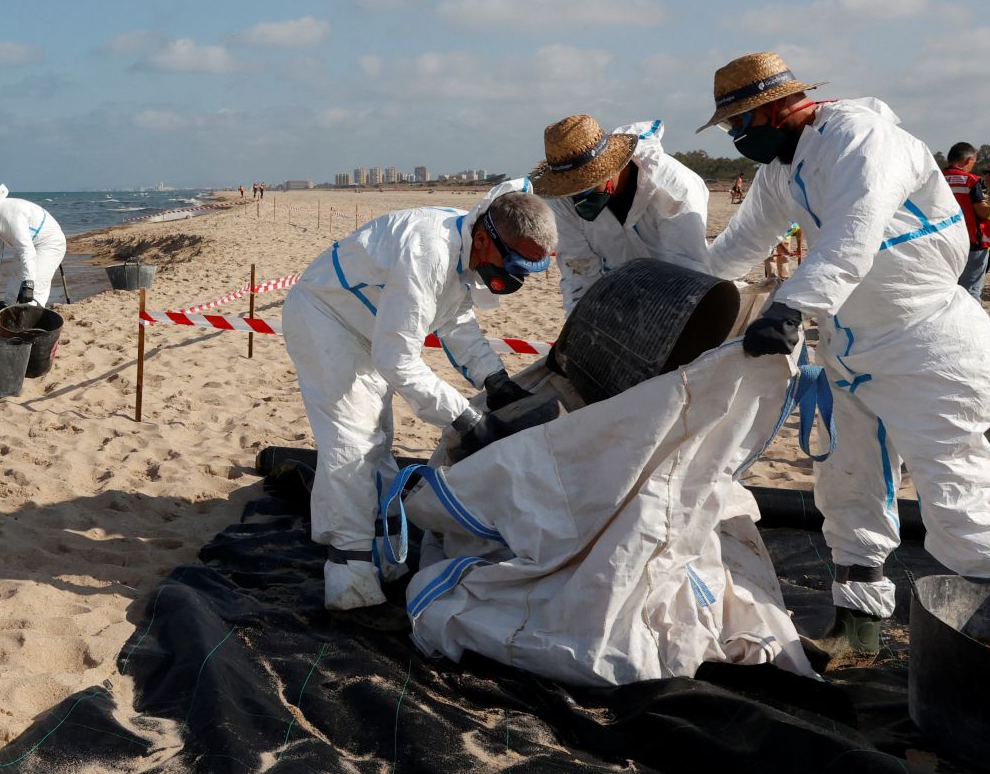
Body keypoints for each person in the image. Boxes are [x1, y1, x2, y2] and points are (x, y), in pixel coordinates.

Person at [701, 52, 990, 657]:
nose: (737, 136)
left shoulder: (863, 139)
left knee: (958, 496)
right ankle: (857, 633)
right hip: (850, 351)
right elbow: (740, 244)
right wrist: (684, 287)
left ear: (783, 105)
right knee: (849, 487)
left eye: (742, 123)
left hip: (927, 345)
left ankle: (982, 646)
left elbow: (853, 234)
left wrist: (791, 304)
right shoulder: (783, 169)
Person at [281, 182, 557, 612]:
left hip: (365, 331)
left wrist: (496, 379)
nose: (517, 279)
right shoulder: (427, 250)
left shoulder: (466, 248)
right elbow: (398, 359)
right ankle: (350, 588)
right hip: (326, 321)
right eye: (515, 265)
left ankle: (388, 559)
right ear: (486, 239)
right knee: (351, 448)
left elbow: (455, 317)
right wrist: (465, 419)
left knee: (378, 441)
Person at [529, 115, 709, 316]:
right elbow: (578, 271)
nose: (577, 196)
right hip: (618, 299)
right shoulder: (560, 200)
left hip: (675, 296)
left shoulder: (673, 187)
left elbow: (688, 274)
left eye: (587, 185)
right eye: (571, 189)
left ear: (611, 166)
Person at [943, 142, 990, 298]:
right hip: (970, 241)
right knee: (971, 290)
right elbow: (982, 212)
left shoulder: (935, 177)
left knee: (946, 288)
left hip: (942, 241)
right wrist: (988, 205)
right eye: (974, 162)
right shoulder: (970, 180)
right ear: (967, 160)